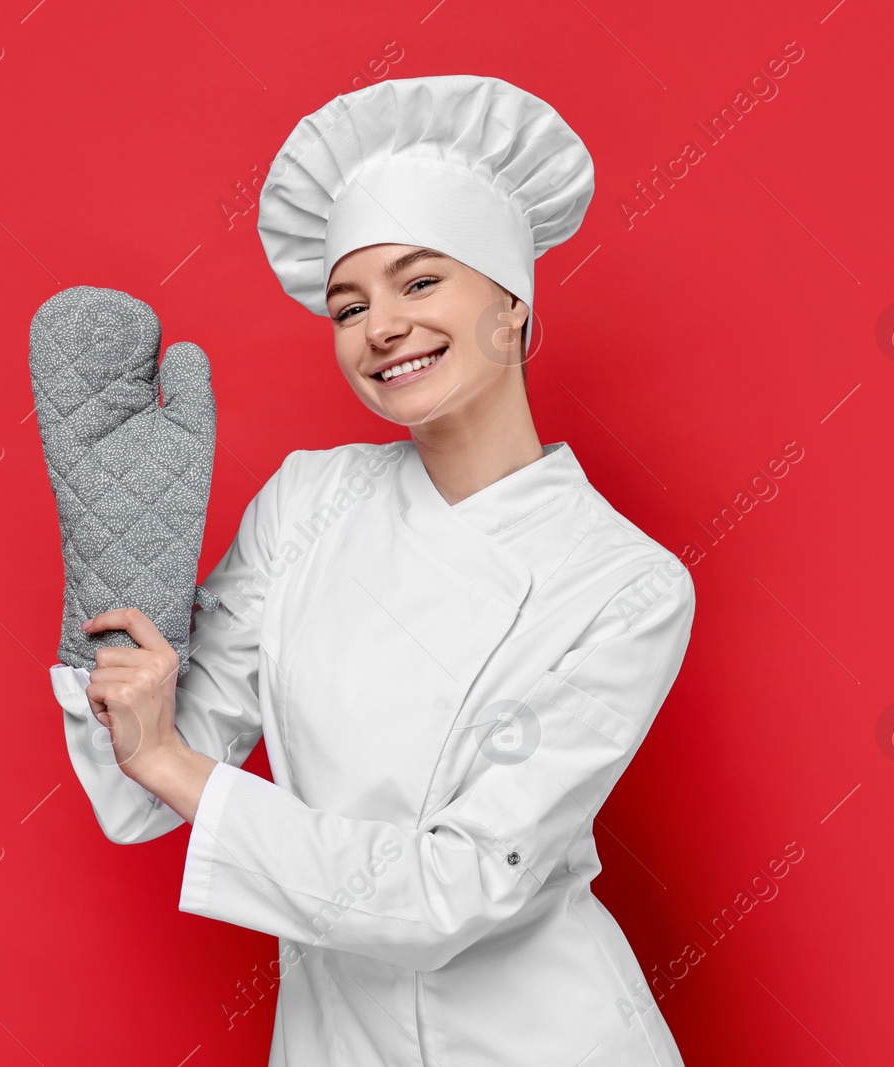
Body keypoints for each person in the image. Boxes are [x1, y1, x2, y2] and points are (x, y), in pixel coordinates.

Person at [50, 74, 695, 1066]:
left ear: (511, 302)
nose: (379, 326)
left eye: (420, 280)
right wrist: (111, 579)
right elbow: (146, 783)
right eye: (348, 304)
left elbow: (452, 891)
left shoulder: (623, 584)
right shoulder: (310, 502)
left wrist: (176, 767)